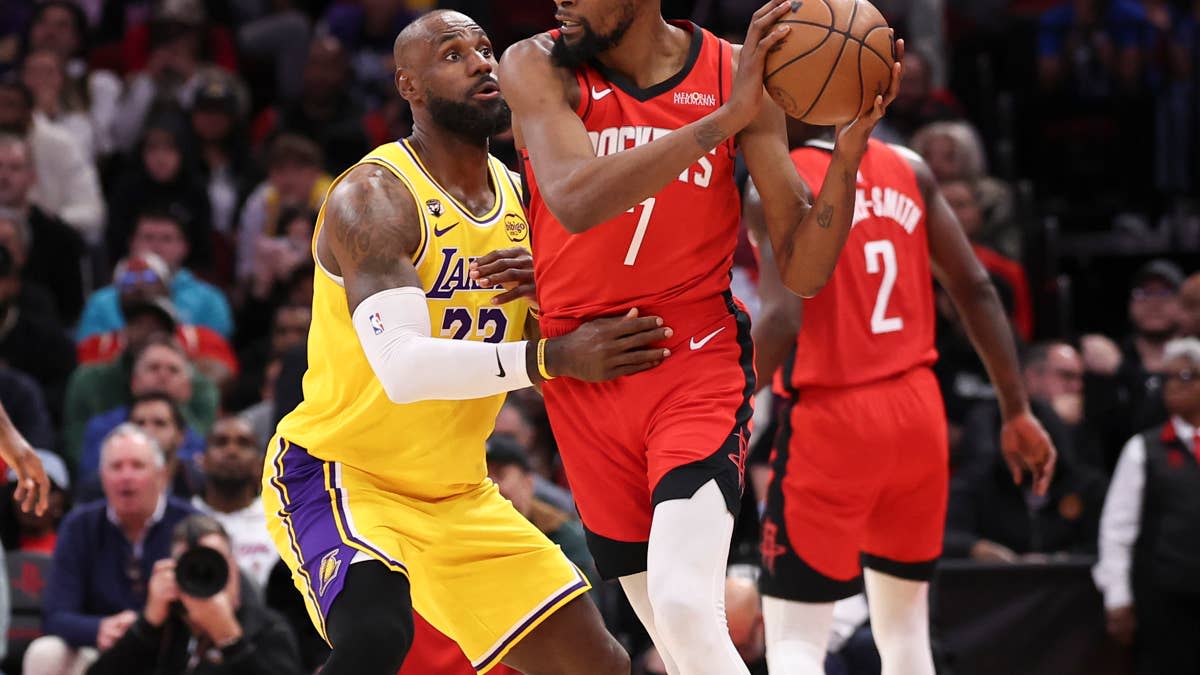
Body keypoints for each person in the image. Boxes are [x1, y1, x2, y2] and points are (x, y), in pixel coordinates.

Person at [263, 10, 672, 674]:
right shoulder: (373, 197)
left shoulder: (522, 201)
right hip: (344, 473)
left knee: (599, 663)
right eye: (453, 55)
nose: (483, 62)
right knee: (374, 636)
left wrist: (554, 305)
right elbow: (403, 367)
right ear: (409, 86)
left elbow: (565, 341)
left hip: (458, 490)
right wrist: (551, 356)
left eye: (485, 49)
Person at [499, 2, 902, 672]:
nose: (561, 1)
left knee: (685, 604)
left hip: (691, 361)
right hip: (586, 374)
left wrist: (847, 156)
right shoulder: (536, 62)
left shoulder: (733, 69)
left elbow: (802, 270)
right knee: (680, 640)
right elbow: (573, 198)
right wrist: (721, 121)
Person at [748, 124, 1056, 675]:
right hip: (917, 410)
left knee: (795, 637)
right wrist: (1017, 409)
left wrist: (723, 404)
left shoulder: (776, 178)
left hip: (832, 412)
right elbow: (976, 289)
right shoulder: (909, 167)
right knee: (906, 631)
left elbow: (782, 318)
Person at [25, 424, 192, 675]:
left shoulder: (190, 523)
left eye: (137, 466)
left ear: (162, 475)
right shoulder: (79, 525)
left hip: (172, 651)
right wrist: (100, 628)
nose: (126, 476)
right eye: (116, 467)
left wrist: (145, 627)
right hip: (101, 652)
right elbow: (55, 616)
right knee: (46, 652)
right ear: (102, 477)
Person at [1094, 337, 1200, 674]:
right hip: (1164, 599)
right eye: (1167, 377)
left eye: (1183, 377)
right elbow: (1117, 528)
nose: (1172, 386)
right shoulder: (1143, 449)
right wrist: (1117, 597)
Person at [86, 514, 303, 675]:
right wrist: (148, 624)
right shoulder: (163, 629)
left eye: (213, 563)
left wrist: (230, 641)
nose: (203, 575)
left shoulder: (269, 628)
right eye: (191, 566)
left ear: (234, 568)